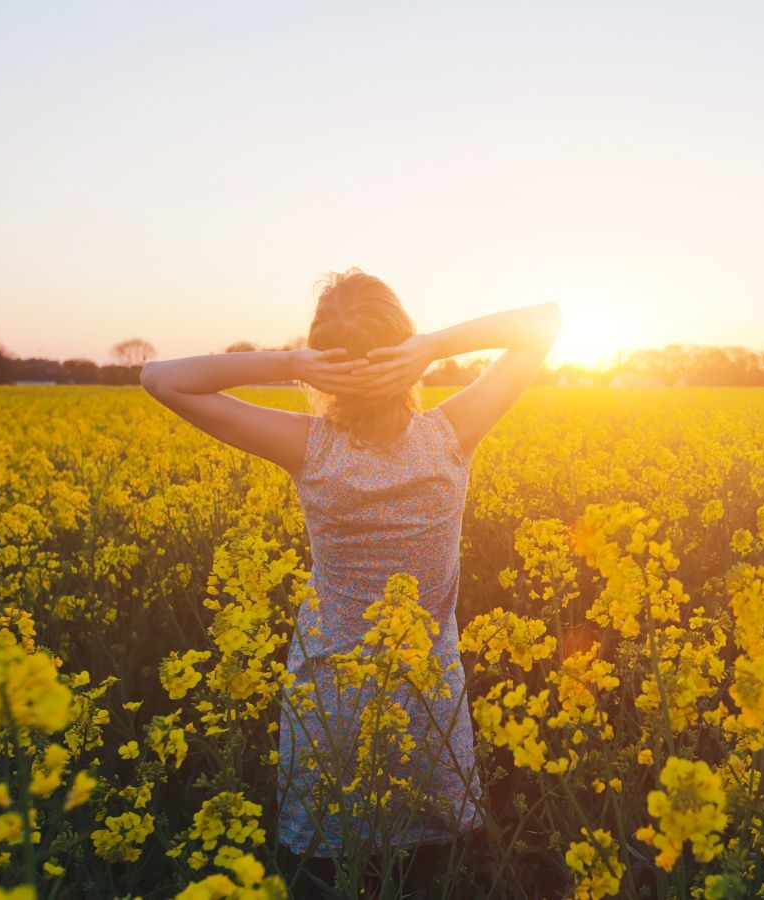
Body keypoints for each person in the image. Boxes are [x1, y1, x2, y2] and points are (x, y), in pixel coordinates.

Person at [140, 269, 562, 896]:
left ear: (321, 367)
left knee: (328, 874)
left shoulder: (306, 446)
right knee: (435, 872)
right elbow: (545, 321)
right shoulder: (452, 437)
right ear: (406, 353)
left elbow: (159, 378)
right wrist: (433, 345)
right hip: (427, 697)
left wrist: (290, 361)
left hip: (329, 701)